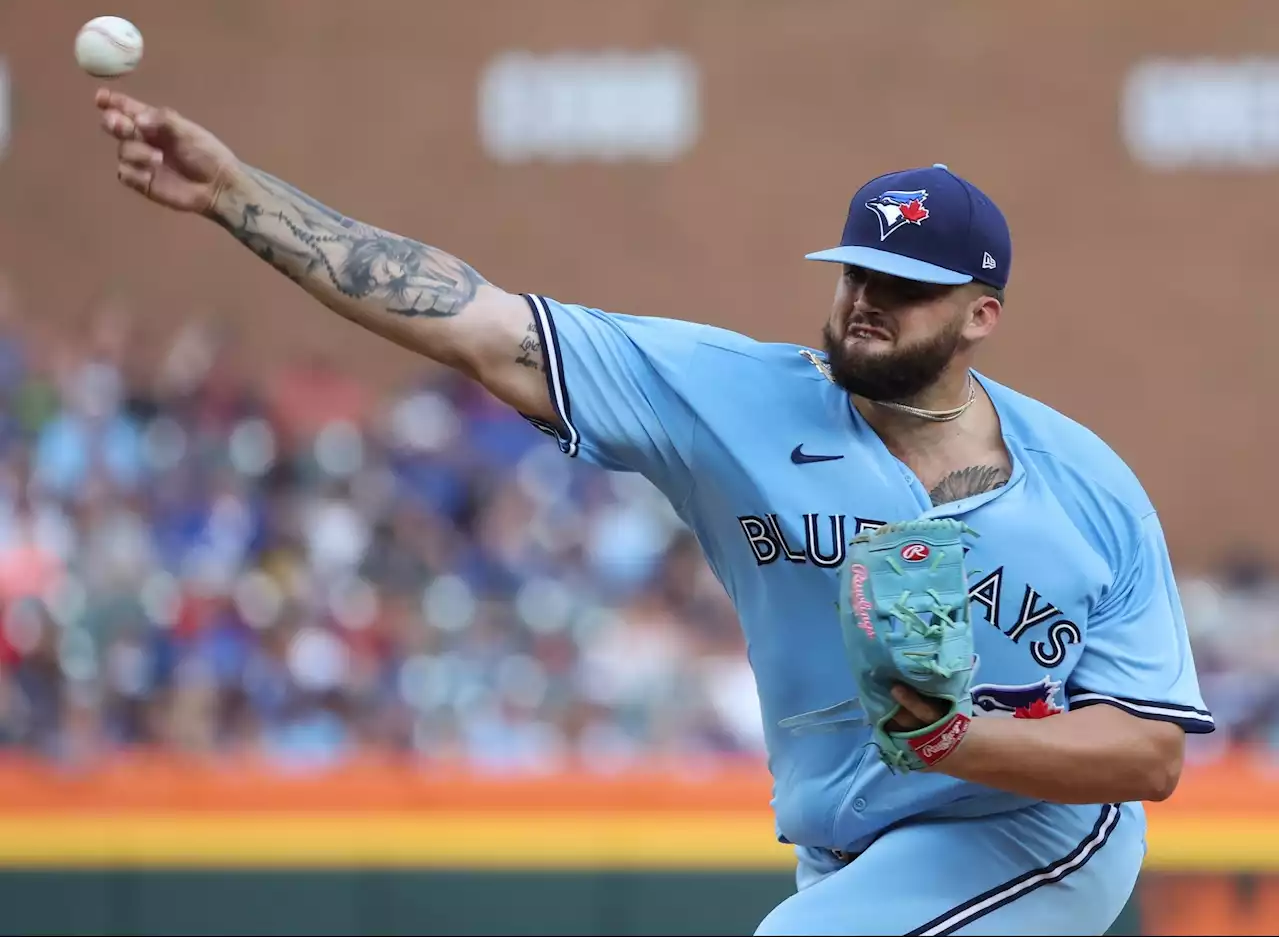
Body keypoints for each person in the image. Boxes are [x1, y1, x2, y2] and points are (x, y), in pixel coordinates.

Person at [94, 88, 1214, 936]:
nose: (866, 300)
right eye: (854, 269)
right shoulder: (736, 400)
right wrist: (238, 195)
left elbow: (1149, 755)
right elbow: (479, 324)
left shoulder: (1086, 488)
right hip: (845, 841)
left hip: (1030, 835)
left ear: (979, 314)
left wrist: (960, 740)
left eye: (904, 285)